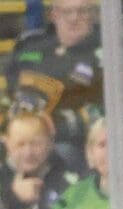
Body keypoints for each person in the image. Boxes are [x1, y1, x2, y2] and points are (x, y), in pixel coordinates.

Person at [3, 0, 104, 156]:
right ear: (53, 15)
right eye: (66, 12)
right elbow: (8, 93)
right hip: (17, 134)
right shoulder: (29, 45)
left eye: (82, 11)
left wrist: (45, 129)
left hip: (66, 143)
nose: (73, 18)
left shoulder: (105, 55)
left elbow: (98, 116)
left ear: (94, 15)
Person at [4, 112, 69, 209]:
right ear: (7, 144)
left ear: (50, 142)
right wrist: (13, 197)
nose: (28, 152)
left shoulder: (68, 176)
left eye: (36, 143)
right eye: (20, 144)